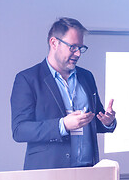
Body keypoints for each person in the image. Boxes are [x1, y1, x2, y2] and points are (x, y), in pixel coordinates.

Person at [11, 17, 116, 170]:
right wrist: (63, 125)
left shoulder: (87, 77)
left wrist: (107, 122)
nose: (78, 53)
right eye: (73, 47)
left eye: (81, 48)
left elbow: (94, 120)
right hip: (48, 172)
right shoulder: (28, 79)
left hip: (87, 171)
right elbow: (19, 130)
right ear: (54, 43)